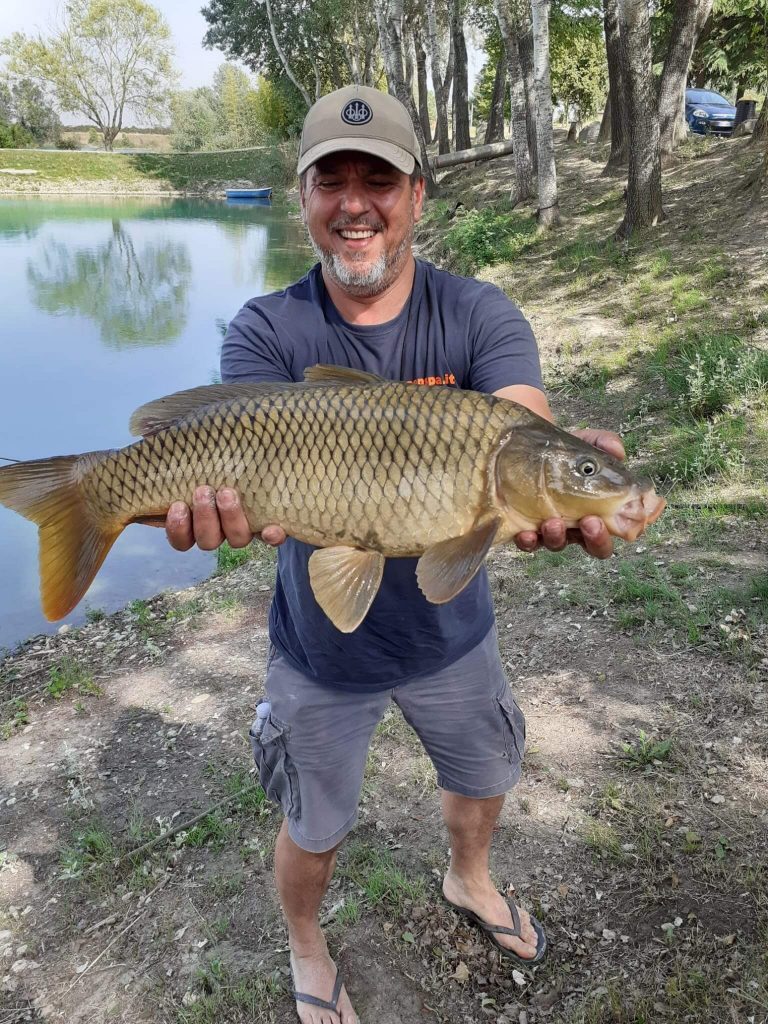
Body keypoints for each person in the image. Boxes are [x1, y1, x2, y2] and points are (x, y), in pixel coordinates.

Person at [165, 85, 624, 1024]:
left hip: (455, 640)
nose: (355, 202)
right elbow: (231, 448)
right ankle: (306, 944)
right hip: (321, 650)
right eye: (331, 180)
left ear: (418, 196)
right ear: (302, 198)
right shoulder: (267, 329)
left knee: (485, 779)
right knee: (313, 824)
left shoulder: (478, 312)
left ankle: (470, 880)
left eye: (380, 178)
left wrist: (574, 481)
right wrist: (206, 507)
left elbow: (523, 424)